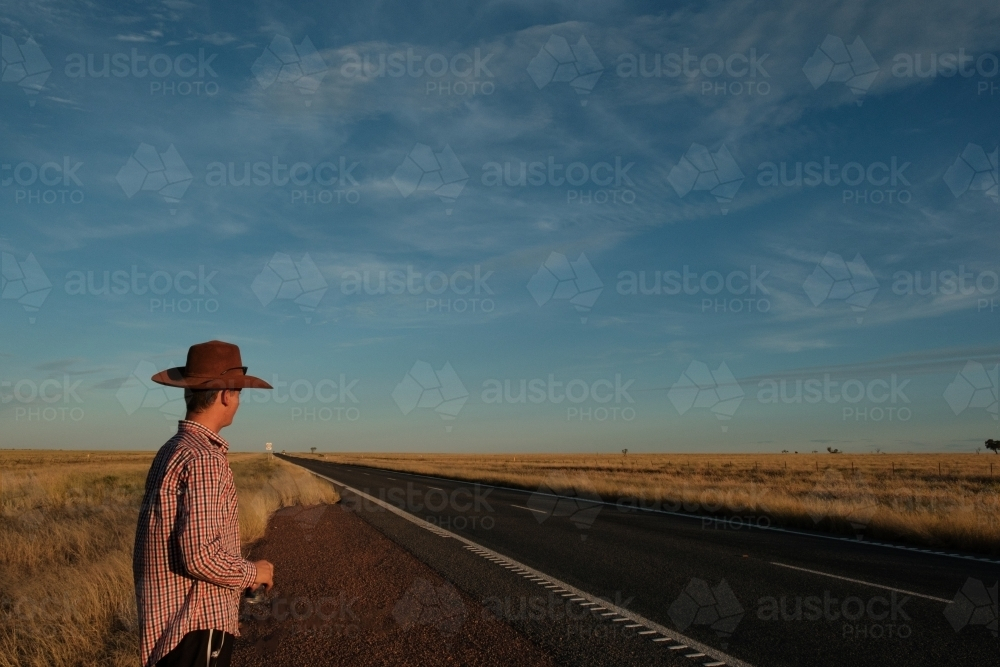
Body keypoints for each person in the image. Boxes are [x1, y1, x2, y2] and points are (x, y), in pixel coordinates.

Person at [133, 341, 275, 667]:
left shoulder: (174, 449)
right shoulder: (204, 458)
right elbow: (200, 556)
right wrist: (254, 572)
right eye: (239, 393)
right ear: (226, 395)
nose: (238, 402)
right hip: (195, 623)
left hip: (168, 624)